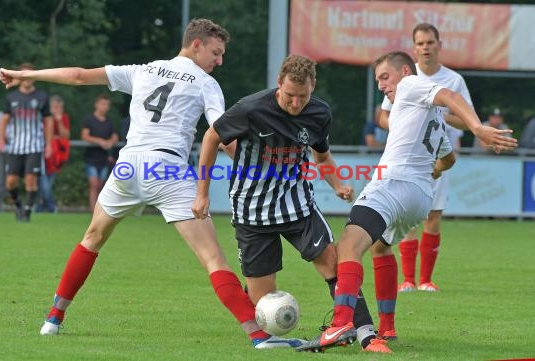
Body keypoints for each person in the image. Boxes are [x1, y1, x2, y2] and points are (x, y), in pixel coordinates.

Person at [0, 18, 304, 349]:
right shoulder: (205, 83)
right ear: (196, 44)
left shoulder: (145, 69)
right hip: (168, 169)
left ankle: (53, 320)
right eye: (216, 53)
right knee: (213, 259)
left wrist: (25, 74)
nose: (220, 61)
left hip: (128, 167)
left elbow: (77, 76)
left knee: (92, 238)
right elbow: (222, 137)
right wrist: (259, 166)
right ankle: (260, 337)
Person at [295, 51, 517, 353]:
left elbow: (450, 94)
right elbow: (448, 158)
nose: (382, 86)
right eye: (377, 81)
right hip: (419, 198)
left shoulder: (412, 85)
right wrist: (434, 171)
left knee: (347, 247)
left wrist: (477, 128)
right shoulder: (430, 115)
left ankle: (342, 323)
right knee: (380, 246)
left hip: (393, 184)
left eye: (385, 77)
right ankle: (386, 327)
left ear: (404, 71)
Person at [192, 54, 390, 353]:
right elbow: (211, 137)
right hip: (252, 210)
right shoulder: (251, 108)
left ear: (313, 87)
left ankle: (364, 334)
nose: (296, 104)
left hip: (298, 206)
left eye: (303, 97)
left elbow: (321, 156)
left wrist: (337, 185)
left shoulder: (320, 112)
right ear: (278, 85)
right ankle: (267, 330)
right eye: (289, 96)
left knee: (334, 263)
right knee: (261, 299)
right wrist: (202, 192)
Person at [381, 23, 473, 293]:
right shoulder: (406, 77)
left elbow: (466, 121)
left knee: (433, 215)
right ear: (414, 48)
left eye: (430, 42)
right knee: (410, 217)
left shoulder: (453, 80)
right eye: (420, 43)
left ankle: (426, 280)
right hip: (410, 159)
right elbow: (383, 115)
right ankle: (408, 279)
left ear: (439, 45)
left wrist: (437, 112)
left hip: (440, 157)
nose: (425, 48)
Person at [0, 62, 53, 222]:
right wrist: (1, 139)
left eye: (30, 75)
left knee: (31, 179)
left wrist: (48, 144)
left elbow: (48, 121)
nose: (27, 78)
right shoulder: (11, 97)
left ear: (34, 77)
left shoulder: (41, 97)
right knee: (11, 182)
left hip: (34, 145)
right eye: (24, 75)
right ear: (19, 77)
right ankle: (18, 205)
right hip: (15, 146)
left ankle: (27, 212)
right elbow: (4, 120)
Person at [81, 94, 118, 212]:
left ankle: (99, 211)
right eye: (103, 104)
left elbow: (115, 136)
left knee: (101, 186)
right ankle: (93, 212)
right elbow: (85, 136)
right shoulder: (89, 119)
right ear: (96, 104)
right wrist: (100, 141)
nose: (105, 107)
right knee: (94, 185)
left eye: (107, 105)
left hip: (103, 159)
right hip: (91, 159)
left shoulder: (108, 122)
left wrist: (110, 142)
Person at [37, 95, 70, 213]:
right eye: (55, 107)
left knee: (47, 185)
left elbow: (65, 135)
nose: (58, 110)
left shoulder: (64, 118)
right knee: (44, 184)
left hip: (57, 157)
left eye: (60, 107)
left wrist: (59, 121)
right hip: (43, 154)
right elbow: (44, 134)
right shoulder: (44, 117)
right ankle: (51, 207)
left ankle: (39, 207)